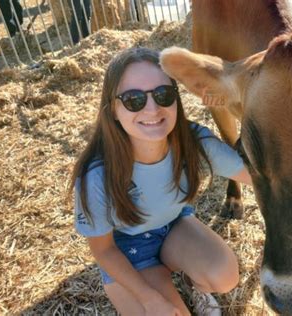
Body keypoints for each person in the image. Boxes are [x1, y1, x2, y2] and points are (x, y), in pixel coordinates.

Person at [69, 46, 252, 316]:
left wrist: (236, 105)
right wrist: (148, 298)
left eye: (164, 95)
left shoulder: (194, 144)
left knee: (224, 277)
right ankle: (155, 283)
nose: (153, 109)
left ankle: (193, 284)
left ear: (177, 100)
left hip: (175, 227)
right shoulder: (96, 176)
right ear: (113, 109)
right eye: (134, 100)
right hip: (128, 251)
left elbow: (259, 179)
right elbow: (104, 251)